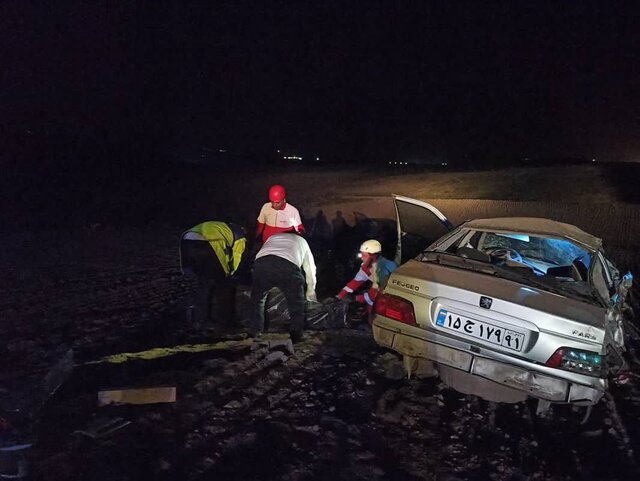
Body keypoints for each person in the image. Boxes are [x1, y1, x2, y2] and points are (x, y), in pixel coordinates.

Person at [249, 230, 317, 343]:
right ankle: (296, 333)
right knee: (295, 302)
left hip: (261, 263)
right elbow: (310, 268)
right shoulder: (302, 241)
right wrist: (311, 290)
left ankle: (255, 330)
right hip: (287, 265)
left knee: (257, 299)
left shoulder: (273, 237)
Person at [180, 221, 247, 327]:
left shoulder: (223, 227)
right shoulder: (240, 236)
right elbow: (237, 256)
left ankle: (200, 319)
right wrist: (231, 272)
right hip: (208, 241)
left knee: (203, 283)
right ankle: (226, 320)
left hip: (188, 239)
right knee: (224, 285)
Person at [336, 239, 398, 323]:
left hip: (390, 298)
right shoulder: (366, 267)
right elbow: (355, 282)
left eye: (364, 255)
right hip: (378, 296)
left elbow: (379, 292)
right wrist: (339, 296)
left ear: (373, 256)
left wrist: (356, 298)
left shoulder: (384, 268)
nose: (361, 257)